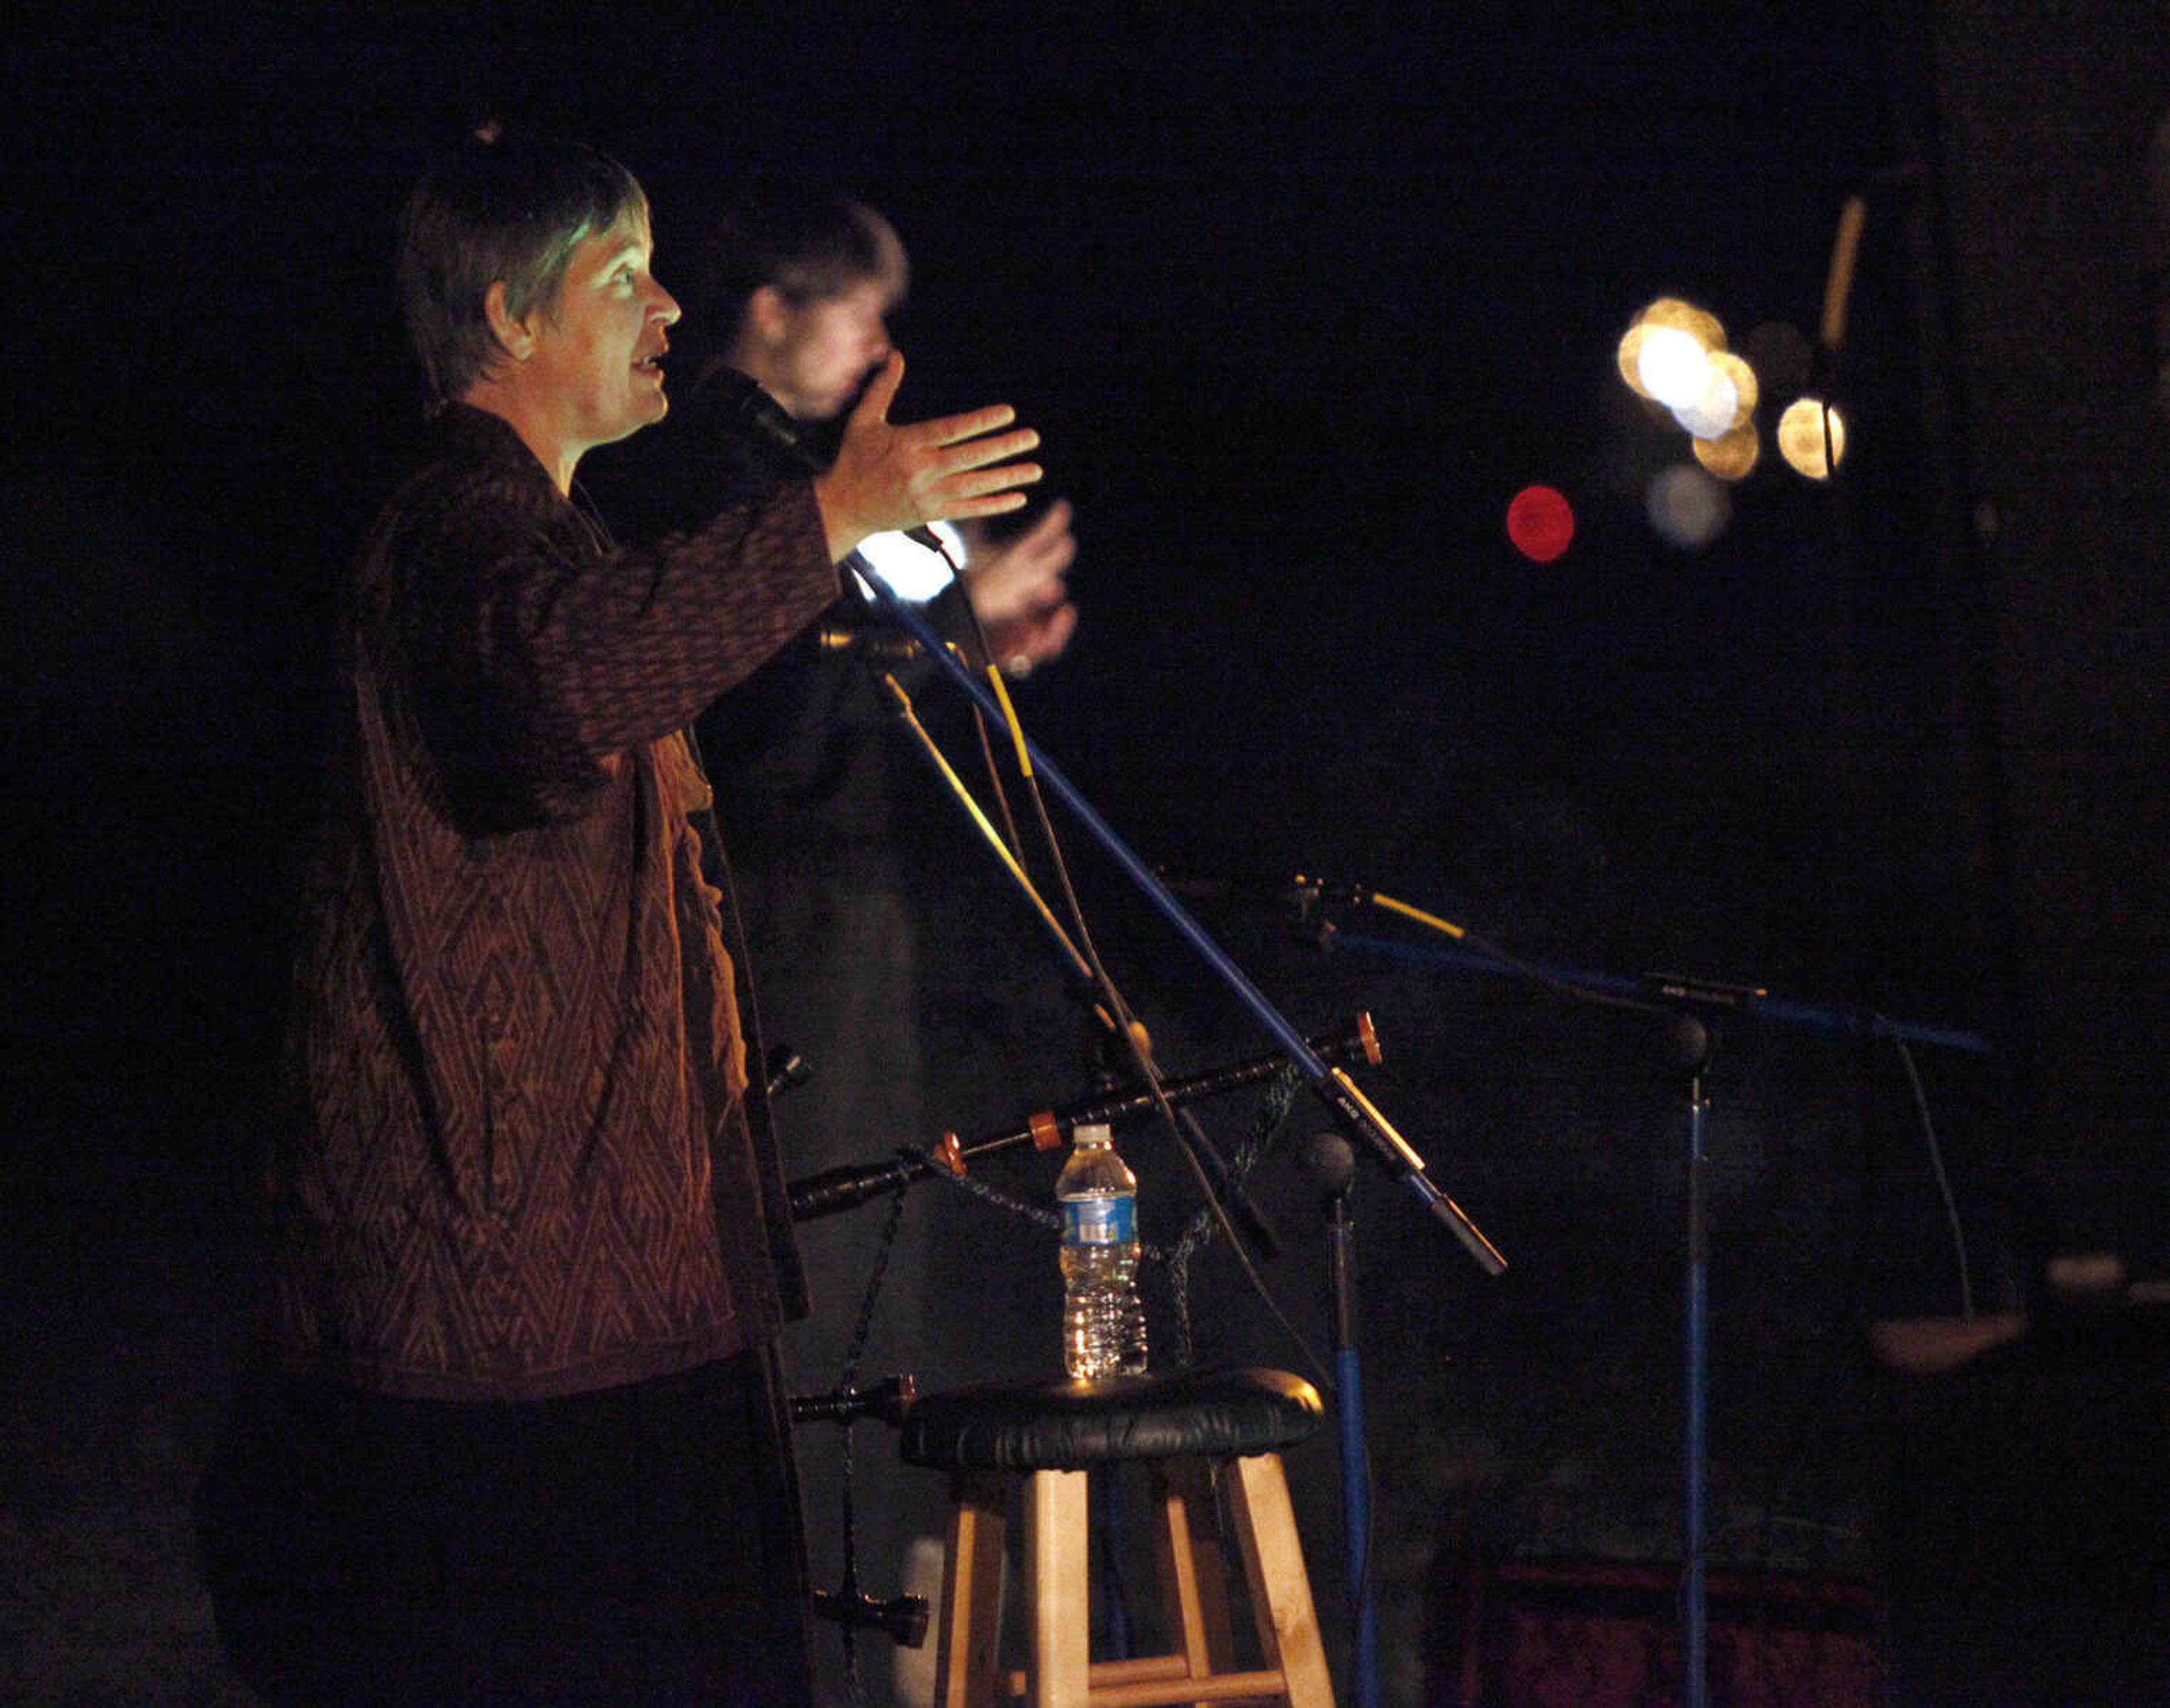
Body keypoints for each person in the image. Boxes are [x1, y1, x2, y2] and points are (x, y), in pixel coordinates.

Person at [194, 126, 1042, 1706]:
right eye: (623, 281)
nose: (669, 315)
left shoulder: (550, 533)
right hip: (497, 1347)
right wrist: (826, 517)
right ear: (514, 318)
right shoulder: (450, 530)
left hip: (600, 1316)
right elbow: (564, 687)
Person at [578, 179, 1082, 1696]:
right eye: (858, 309)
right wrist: (914, 624)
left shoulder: (809, 469)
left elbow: (863, 666)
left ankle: (883, 1611)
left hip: (863, 920)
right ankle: (796, 1625)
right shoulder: (702, 472)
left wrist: (965, 634)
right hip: (776, 922)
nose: (879, 342)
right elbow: (766, 717)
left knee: (887, 1262)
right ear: (775, 310)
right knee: (812, 1257)